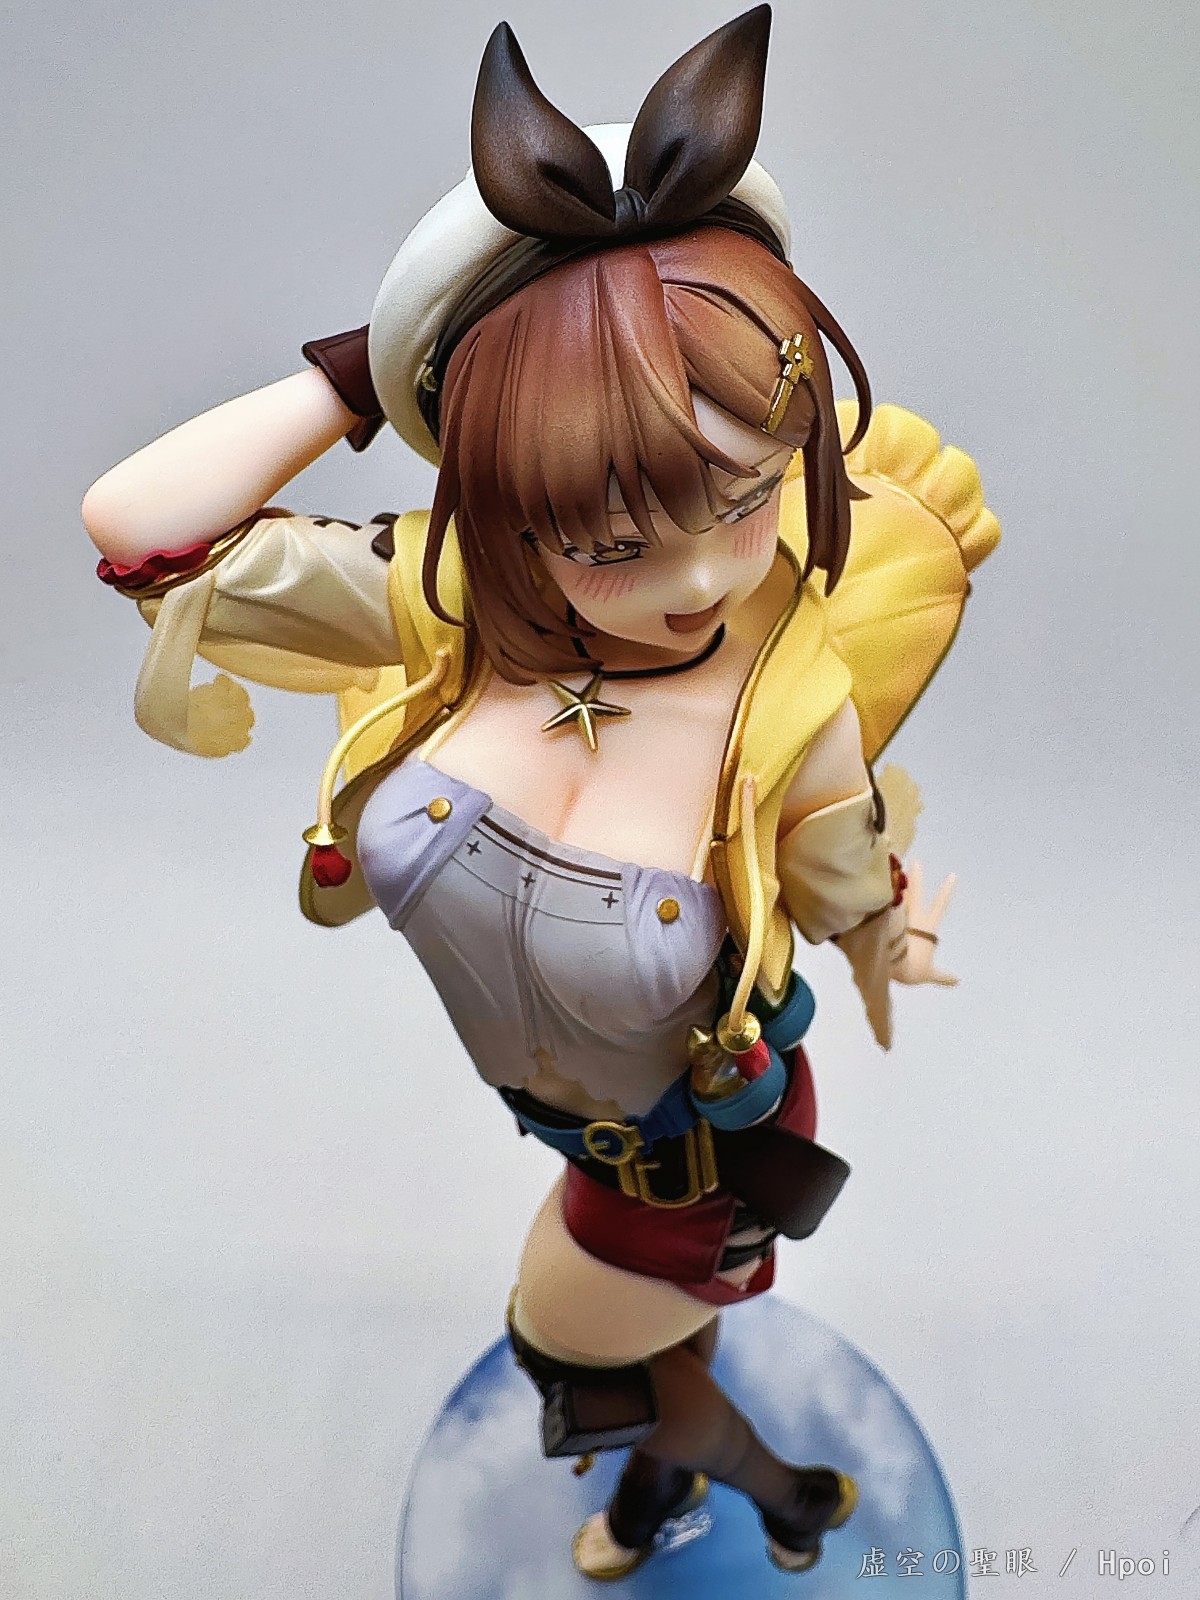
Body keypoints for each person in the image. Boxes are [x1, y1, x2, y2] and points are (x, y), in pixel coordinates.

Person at [82, 6, 998, 1580]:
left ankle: (778, 1493)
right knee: (641, 1361)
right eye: (612, 540)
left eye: (745, 496)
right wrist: (378, 369)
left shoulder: (789, 700)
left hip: (695, 1153)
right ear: (512, 508)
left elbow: (841, 873)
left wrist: (887, 932)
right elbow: (143, 531)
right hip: (575, 1126)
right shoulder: (448, 605)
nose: (699, 579)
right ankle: (683, 1497)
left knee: (566, 1348)